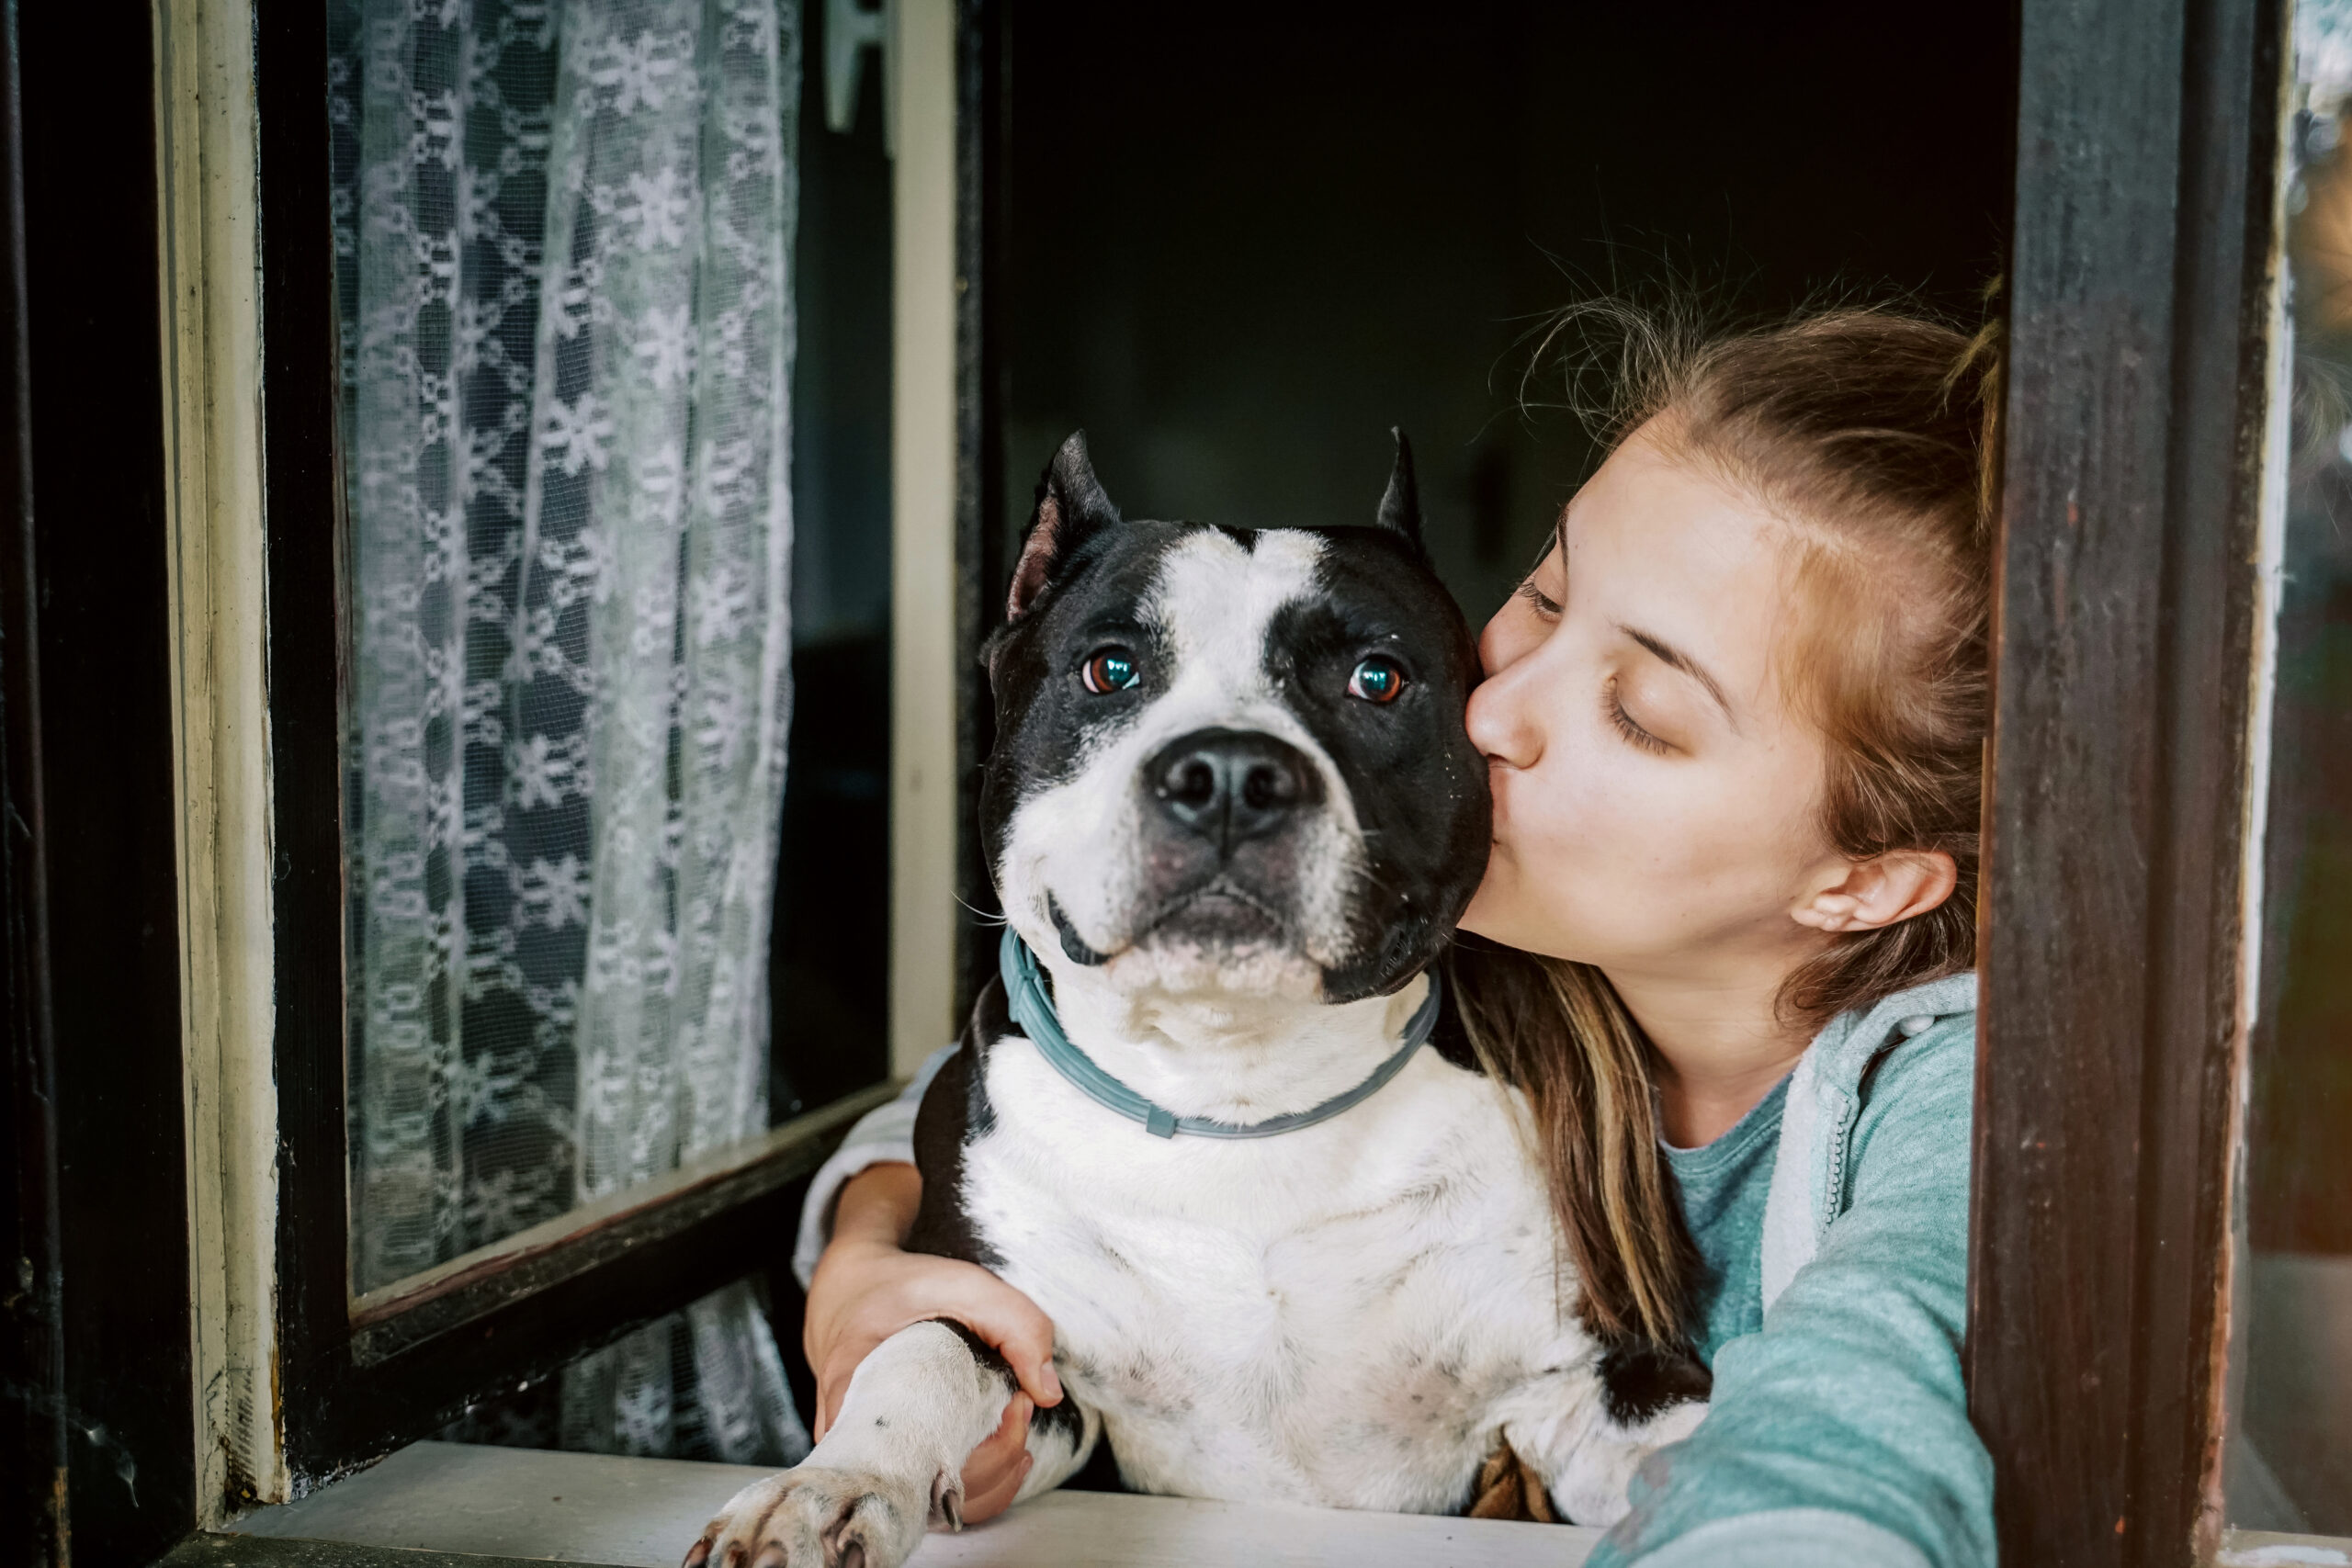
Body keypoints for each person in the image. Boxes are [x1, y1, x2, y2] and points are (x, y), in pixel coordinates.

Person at [788, 302, 1998, 1567]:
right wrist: (872, 1242)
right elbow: (1045, 1088)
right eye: (1542, 597)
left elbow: (1856, 1417)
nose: (1492, 711)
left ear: (1863, 881)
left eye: (1639, 712)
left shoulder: (1949, 1116)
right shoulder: (1475, 955)